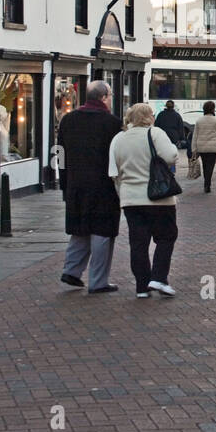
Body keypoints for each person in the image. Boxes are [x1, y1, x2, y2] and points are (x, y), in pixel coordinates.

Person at [57, 81, 123, 294]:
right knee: (102, 233)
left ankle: (72, 270)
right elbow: (117, 159)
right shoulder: (112, 124)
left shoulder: (68, 120)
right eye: (111, 95)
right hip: (103, 187)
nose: (111, 99)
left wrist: (64, 183)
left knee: (80, 229)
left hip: (75, 185)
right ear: (104, 97)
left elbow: (60, 155)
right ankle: (98, 281)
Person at [109, 103, 180, 298]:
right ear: (149, 117)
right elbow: (171, 156)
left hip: (130, 199)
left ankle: (142, 286)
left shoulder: (119, 138)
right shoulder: (155, 133)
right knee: (167, 236)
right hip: (158, 197)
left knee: (138, 243)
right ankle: (158, 277)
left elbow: (114, 170)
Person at [190, 101, 216, 193]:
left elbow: (195, 135)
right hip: (212, 148)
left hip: (201, 147)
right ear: (213, 109)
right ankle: (207, 184)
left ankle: (206, 183)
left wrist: (194, 149)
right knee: (210, 165)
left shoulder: (199, 121)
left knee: (205, 164)